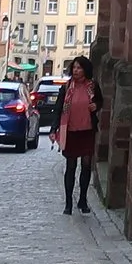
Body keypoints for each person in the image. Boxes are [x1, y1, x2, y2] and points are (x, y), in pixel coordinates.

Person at [53, 56, 99, 215]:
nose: (76, 70)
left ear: (85, 70)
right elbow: (58, 108)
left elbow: (100, 102)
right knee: (71, 166)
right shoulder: (66, 87)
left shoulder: (92, 86)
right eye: (74, 67)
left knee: (86, 165)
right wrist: (54, 129)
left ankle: (83, 200)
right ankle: (68, 202)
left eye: (79, 68)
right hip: (71, 131)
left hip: (87, 130)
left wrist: (96, 105)